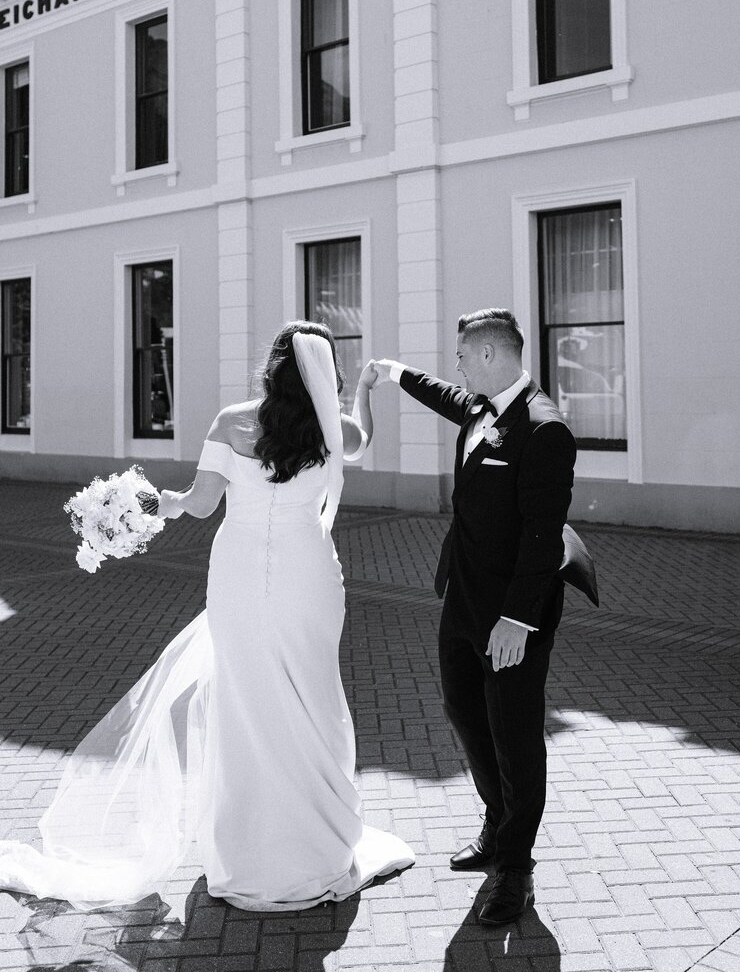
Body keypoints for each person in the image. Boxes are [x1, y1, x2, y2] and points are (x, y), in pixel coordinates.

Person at [0, 321, 414, 917]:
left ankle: (247, 849)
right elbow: (363, 440)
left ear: (271, 367)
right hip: (308, 576)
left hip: (239, 572)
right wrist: (366, 394)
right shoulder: (333, 426)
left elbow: (199, 505)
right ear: (325, 373)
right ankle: (313, 839)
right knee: (311, 693)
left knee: (244, 699)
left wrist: (148, 505)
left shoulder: (231, 422)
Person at [367, 308, 584, 926]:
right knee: (465, 715)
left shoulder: (544, 429)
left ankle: (514, 870)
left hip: (514, 617)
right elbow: (444, 395)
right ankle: (497, 826)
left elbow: (543, 537)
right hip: (462, 601)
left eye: (463, 355)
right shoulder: (482, 408)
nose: (457, 366)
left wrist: (517, 620)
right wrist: (395, 374)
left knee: (515, 738)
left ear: (489, 355)